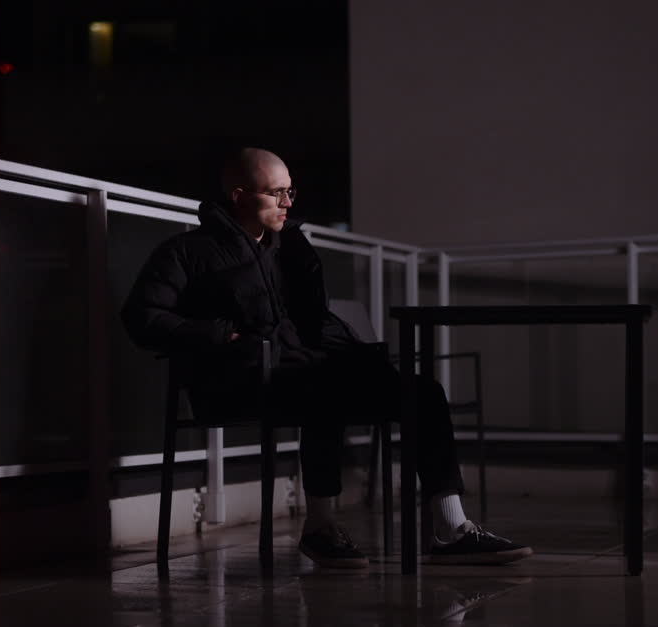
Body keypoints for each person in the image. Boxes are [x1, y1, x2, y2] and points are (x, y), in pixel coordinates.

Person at [121, 147, 531, 568]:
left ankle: (451, 529)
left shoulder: (290, 247)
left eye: (290, 192)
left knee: (422, 392)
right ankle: (319, 529)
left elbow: (314, 318)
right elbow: (141, 318)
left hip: (305, 371)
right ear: (239, 196)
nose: (288, 203)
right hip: (240, 378)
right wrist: (223, 333)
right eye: (275, 193)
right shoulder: (187, 251)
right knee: (325, 388)